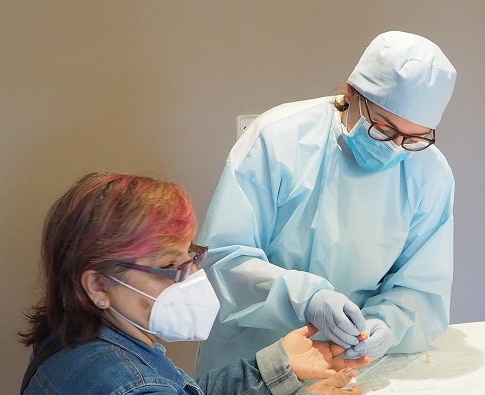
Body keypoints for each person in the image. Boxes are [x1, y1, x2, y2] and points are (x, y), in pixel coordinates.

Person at [14, 172, 367, 395]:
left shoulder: (78, 343)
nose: (192, 276)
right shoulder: (121, 393)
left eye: (190, 255)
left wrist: (274, 366)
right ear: (97, 285)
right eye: (169, 266)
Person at [195, 31, 458, 375]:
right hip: (254, 364)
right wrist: (307, 300)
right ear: (350, 94)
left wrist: (389, 323)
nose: (395, 147)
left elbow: (422, 285)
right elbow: (225, 259)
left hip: (353, 364)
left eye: (413, 138)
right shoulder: (278, 139)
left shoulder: (429, 172)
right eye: (382, 128)